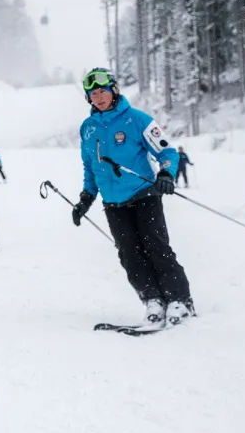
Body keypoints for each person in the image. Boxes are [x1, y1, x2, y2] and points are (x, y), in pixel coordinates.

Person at [70, 67, 194, 327]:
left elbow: (167, 152)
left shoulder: (137, 120)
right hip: (113, 203)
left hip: (144, 194)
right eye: (93, 94)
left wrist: (167, 174)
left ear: (114, 90)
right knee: (129, 254)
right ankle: (152, 299)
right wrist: (85, 198)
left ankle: (180, 300)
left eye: (103, 91)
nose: (99, 97)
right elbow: (90, 167)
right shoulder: (88, 128)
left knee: (156, 247)